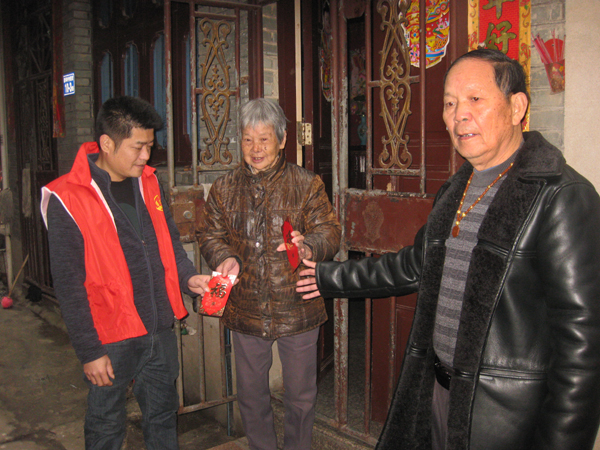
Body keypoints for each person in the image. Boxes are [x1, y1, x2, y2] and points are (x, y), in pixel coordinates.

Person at [297, 49, 600, 450]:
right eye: (450, 103)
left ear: (517, 107)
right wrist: (326, 276)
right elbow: (415, 264)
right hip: (439, 393)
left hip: (504, 416)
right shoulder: (459, 188)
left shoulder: (559, 196)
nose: (459, 115)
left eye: (475, 99)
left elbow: (583, 345)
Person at [40, 96, 209, 450]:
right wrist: (89, 351)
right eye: (138, 147)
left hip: (159, 329)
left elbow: (169, 243)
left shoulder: (149, 182)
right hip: (111, 337)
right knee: (106, 428)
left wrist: (188, 278)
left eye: (150, 146)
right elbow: (69, 285)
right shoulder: (67, 198)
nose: (146, 156)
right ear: (107, 143)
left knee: (163, 419)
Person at [198, 98, 341, 450]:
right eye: (248, 139)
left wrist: (309, 247)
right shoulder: (224, 188)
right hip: (246, 305)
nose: (256, 148)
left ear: (282, 139)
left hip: (298, 304)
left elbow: (330, 231)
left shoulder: (306, 184)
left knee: (301, 396)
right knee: (250, 394)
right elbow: (209, 234)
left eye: (264, 139)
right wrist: (224, 256)